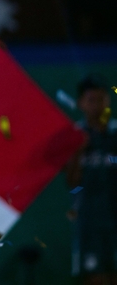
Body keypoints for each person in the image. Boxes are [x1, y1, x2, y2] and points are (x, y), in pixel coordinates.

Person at [67, 75, 117, 285]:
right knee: (95, 277)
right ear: (81, 103)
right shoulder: (75, 137)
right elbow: (73, 184)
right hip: (90, 221)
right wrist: (79, 151)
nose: (97, 106)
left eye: (101, 99)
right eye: (91, 100)